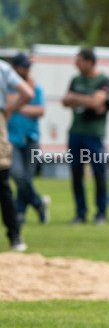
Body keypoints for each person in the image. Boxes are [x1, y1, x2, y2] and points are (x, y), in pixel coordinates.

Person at [62, 48, 109, 224]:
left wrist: (77, 98)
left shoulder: (103, 80)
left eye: (79, 60)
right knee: (76, 174)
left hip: (94, 134)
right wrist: (87, 100)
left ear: (90, 62)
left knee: (99, 173)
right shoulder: (75, 80)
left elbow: (98, 101)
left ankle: (101, 213)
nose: (76, 64)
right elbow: (65, 101)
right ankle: (80, 213)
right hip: (76, 133)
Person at [7, 54, 48, 225]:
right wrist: (23, 102)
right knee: (18, 175)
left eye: (28, 67)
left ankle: (20, 213)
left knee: (27, 178)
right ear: (15, 68)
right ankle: (39, 203)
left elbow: (40, 110)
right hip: (12, 138)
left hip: (31, 137)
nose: (27, 70)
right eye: (24, 67)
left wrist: (18, 105)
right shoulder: (7, 87)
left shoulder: (36, 88)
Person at [1, 58, 34, 251]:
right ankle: (15, 237)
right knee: (3, 186)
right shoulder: (3, 68)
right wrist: (7, 110)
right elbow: (27, 93)